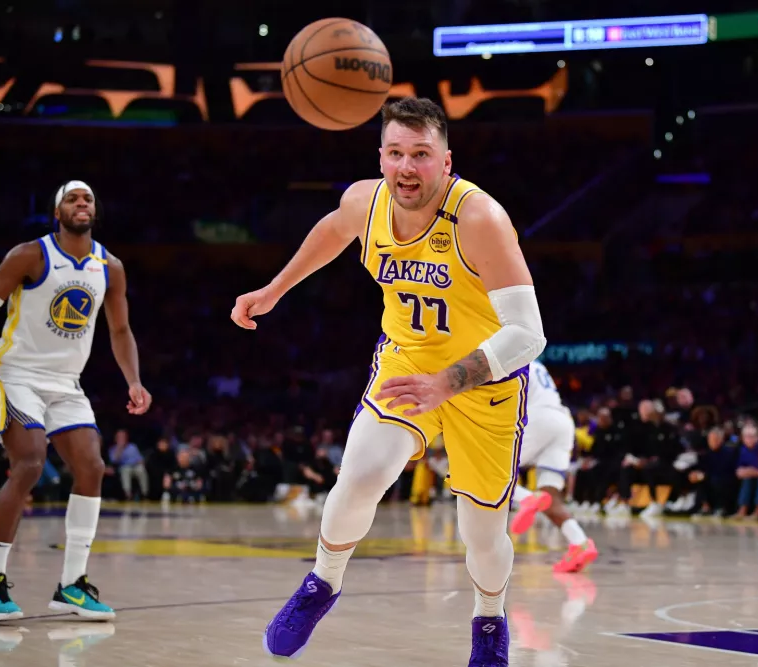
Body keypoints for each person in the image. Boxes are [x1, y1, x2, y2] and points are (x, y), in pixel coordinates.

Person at [231, 98, 546, 666]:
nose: (407, 167)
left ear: (446, 162)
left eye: (421, 155)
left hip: (484, 379)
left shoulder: (480, 218)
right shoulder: (365, 201)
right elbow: (332, 230)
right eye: (396, 153)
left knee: (482, 534)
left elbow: (528, 334)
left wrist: (449, 381)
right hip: (405, 362)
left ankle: (490, 621)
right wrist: (274, 289)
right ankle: (321, 583)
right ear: (381, 157)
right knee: (361, 476)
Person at [0, 180, 151, 620]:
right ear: (57, 212)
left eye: (88, 199)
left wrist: (133, 381)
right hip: (14, 374)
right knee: (29, 461)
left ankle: (71, 585)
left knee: (92, 467)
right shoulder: (31, 254)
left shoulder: (110, 266)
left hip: (66, 382)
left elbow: (120, 331)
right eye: (72, 198)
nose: (81, 203)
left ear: (95, 211)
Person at [509, 360, 597, 573]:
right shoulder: (536, 363)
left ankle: (525, 498)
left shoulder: (505, 355)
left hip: (537, 418)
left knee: (487, 472)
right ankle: (580, 543)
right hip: (562, 421)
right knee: (550, 494)